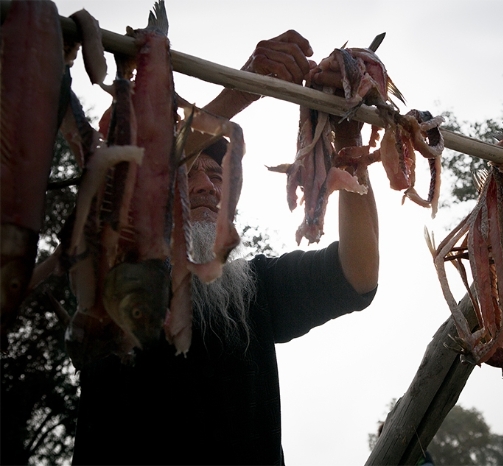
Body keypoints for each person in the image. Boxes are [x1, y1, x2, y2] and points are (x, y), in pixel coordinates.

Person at [71, 31, 379, 465]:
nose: (205, 187)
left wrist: (347, 137)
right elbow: (132, 172)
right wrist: (243, 87)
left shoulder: (254, 291)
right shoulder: (113, 269)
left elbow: (358, 275)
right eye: (189, 172)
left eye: (218, 176)